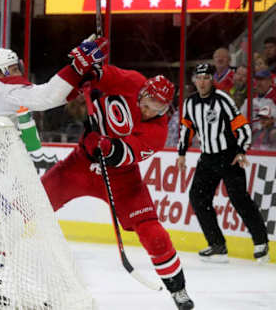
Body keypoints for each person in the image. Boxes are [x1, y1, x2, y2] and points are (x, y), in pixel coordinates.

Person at [41, 64, 195, 309]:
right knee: (33, 201)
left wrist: (104, 145)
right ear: (142, 92)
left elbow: (120, 154)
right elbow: (104, 75)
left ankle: (178, 289)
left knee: (153, 234)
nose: (147, 111)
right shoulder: (133, 82)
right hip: (79, 165)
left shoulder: (158, 131)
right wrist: (91, 74)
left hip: (122, 178)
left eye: (157, 108)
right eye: (146, 103)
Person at [176, 63, 269, 264]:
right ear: (194, 80)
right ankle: (217, 245)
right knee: (198, 198)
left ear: (212, 80)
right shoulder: (190, 103)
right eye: (199, 78)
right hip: (207, 158)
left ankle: (261, 242)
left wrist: (241, 149)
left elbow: (241, 125)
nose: (202, 82)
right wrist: (181, 153)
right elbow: (186, 129)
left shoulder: (223, 99)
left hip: (229, 156)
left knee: (239, 198)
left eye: (206, 78)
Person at [0, 34, 108, 123]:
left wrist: (76, 80)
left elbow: (48, 96)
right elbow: (46, 97)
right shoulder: (2, 90)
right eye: (13, 69)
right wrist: (77, 67)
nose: (19, 74)